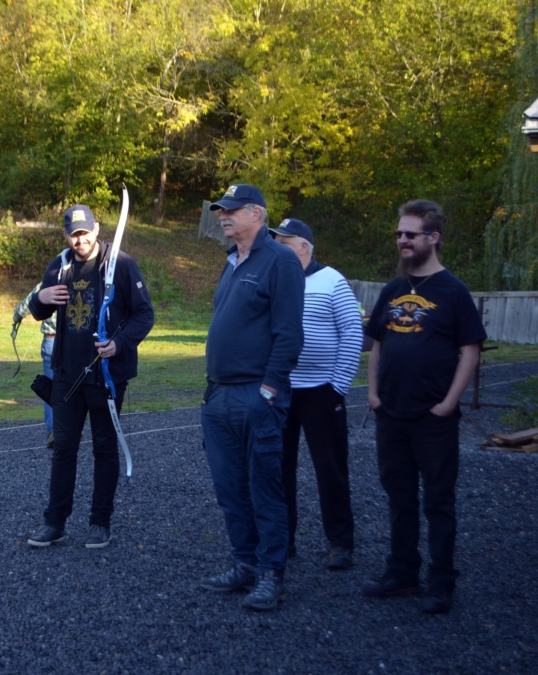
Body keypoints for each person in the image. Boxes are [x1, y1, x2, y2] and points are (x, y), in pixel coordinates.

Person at [362, 200, 487, 614]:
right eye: (399, 233)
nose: (402, 239)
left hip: (433, 418)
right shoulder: (393, 289)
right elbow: (377, 342)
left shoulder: (453, 291)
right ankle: (401, 574)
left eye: (410, 234)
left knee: (438, 500)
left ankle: (440, 583)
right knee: (398, 496)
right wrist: (373, 392)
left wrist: (449, 403)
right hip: (391, 413)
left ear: (432, 238)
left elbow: (470, 350)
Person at [199, 184, 305, 611]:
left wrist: (269, 388)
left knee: (265, 489)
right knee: (230, 489)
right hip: (219, 396)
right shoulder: (231, 263)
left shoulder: (280, 261)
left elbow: (288, 333)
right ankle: (244, 564)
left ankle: (270, 574)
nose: (223, 217)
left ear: (256, 215)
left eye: (232, 210)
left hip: (255, 396)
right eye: (221, 211)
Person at [25, 204, 155, 549]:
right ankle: (55, 523)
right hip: (67, 376)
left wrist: (120, 343)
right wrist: (41, 297)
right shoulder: (61, 264)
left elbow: (144, 314)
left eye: (84, 232)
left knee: (104, 449)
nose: (79, 239)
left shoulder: (121, 264)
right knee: (63, 449)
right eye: (73, 233)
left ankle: (100, 522)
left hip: (107, 376)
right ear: (65, 234)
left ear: (95, 230)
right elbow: (39, 311)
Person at [269, 218, 362, 570]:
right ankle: (283, 540)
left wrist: (337, 387)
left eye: (285, 243)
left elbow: (353, 333)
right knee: (279, 470)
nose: (278, 248)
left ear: (304, 246)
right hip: (282, 390)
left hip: (322, 393)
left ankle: (341, 544)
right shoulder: (278, 279)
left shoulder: (332, 281)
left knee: (331, 470)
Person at [13, 282, 57, 448]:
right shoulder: (79, 282)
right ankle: (72, 427)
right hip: (73, 346)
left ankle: (54, 432)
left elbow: (28, 303)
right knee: (71, 387)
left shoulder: (48, 283)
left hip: (51, 342)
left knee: (49, 389)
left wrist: (16, 317)